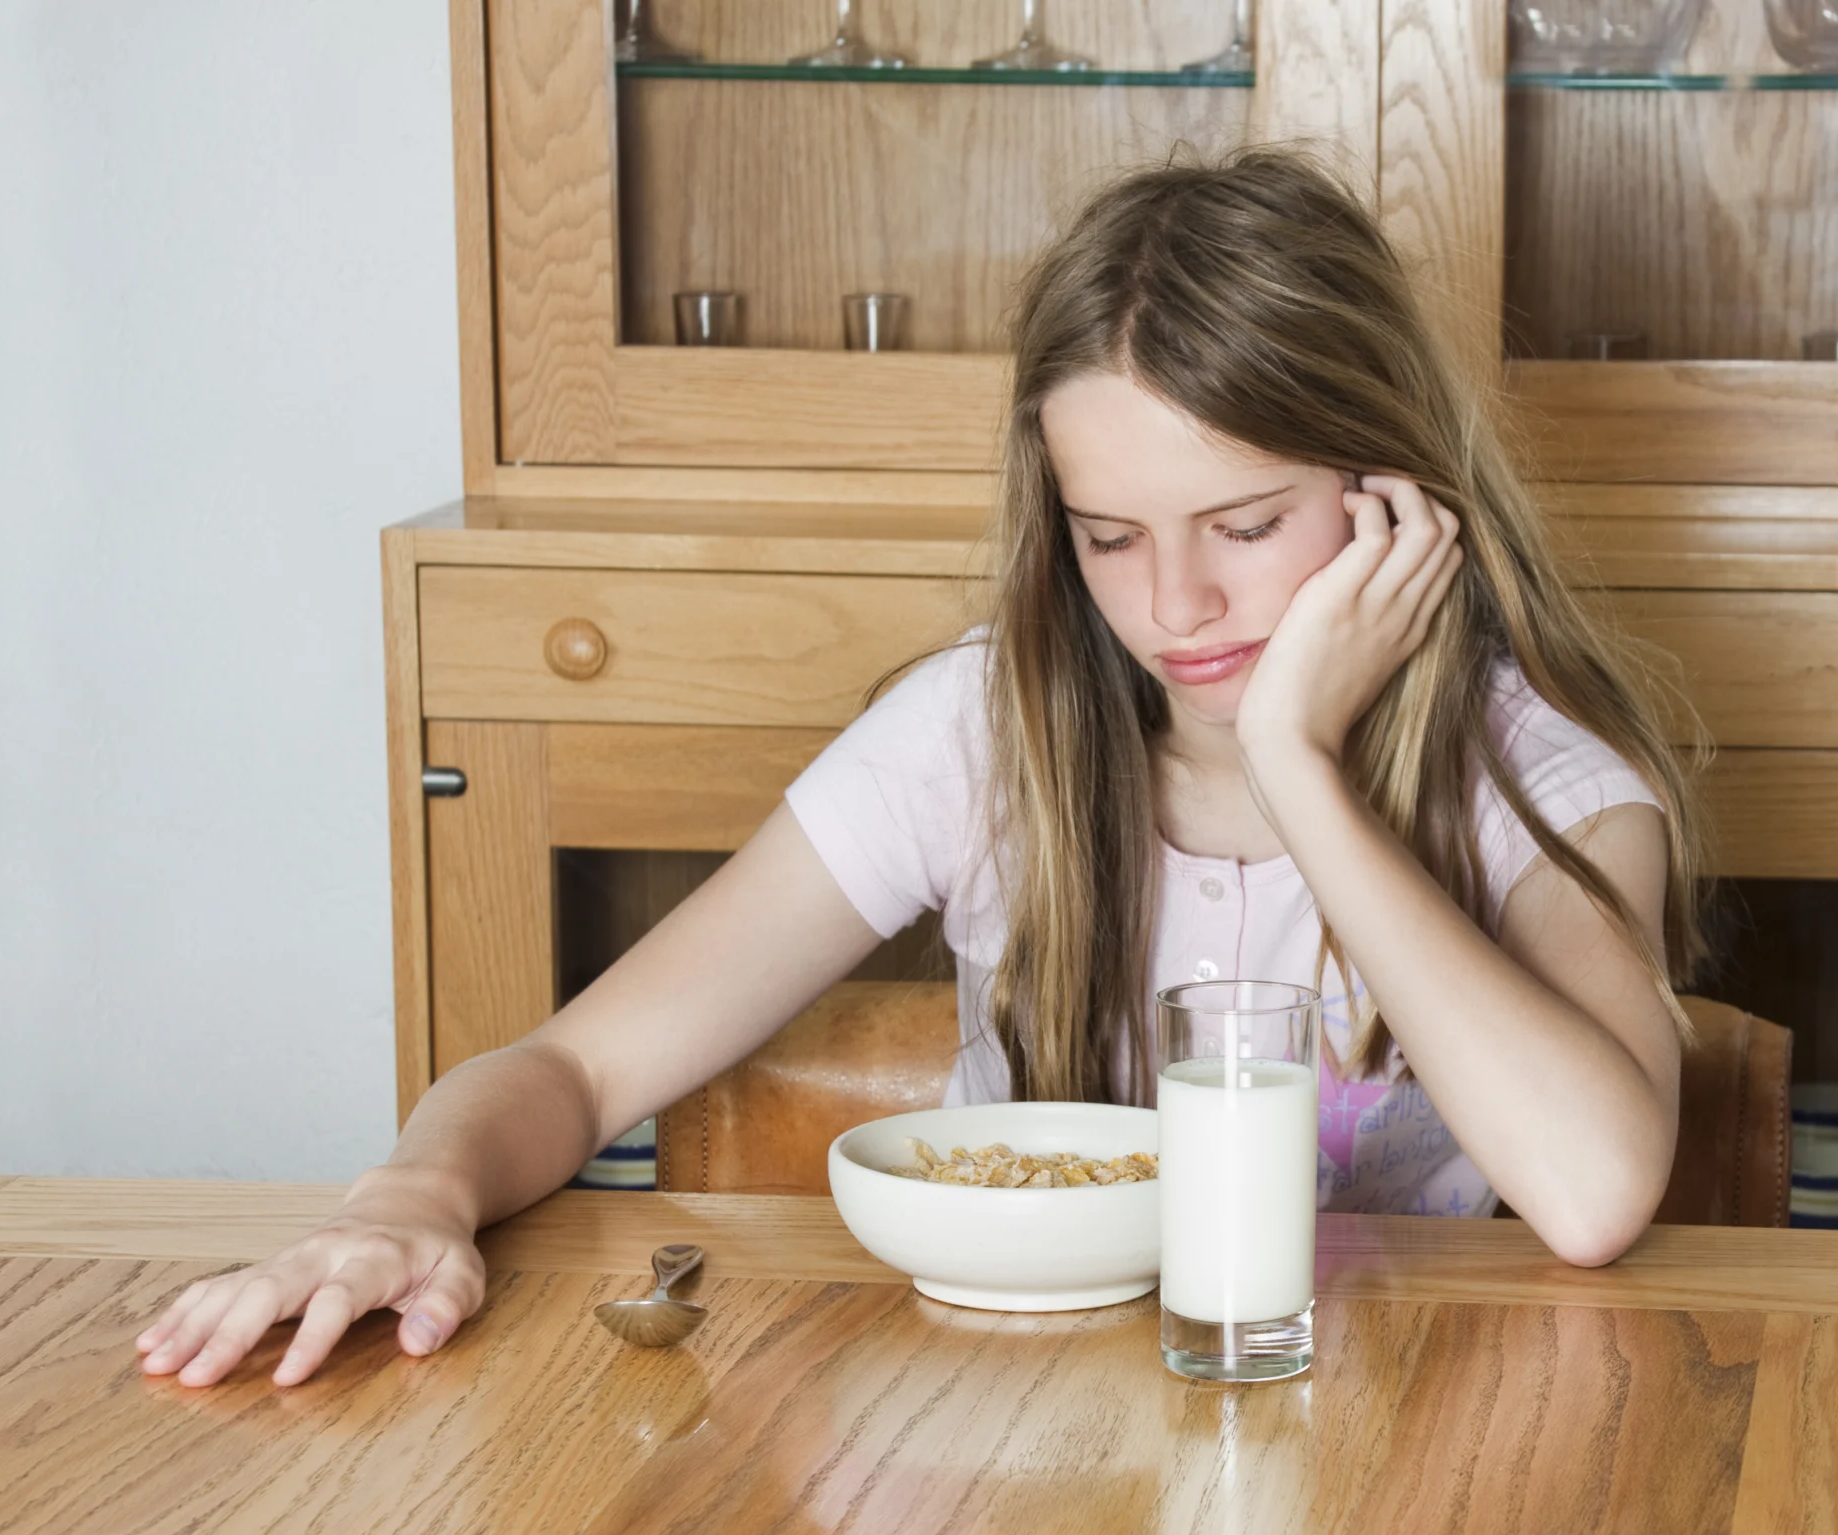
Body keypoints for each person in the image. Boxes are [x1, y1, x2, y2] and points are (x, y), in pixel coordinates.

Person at [138, 147, 1708, 1390]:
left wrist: (1300, 763)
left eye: (1244, 528)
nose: (1176, 608)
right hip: (1007, 1436)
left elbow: (1590, 1193)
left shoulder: (1538, 776)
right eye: (1110, 537)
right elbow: (570, 1072)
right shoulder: (981, 731)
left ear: (1394, 498)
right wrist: (404, 1199)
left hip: (1407, 1444)